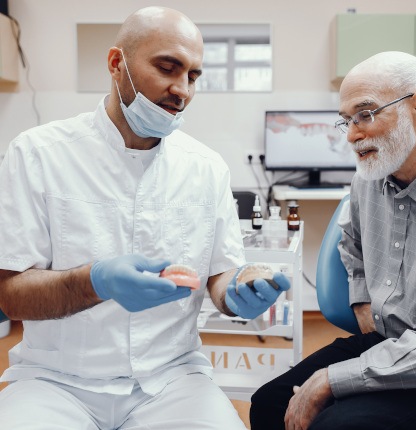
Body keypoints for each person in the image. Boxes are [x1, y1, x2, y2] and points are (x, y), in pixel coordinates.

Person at [0, 6, 289, 430]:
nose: (182, 90)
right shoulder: (38, 154)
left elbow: (220, 275)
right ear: (117, 64)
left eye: (193, 76)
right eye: (167, 67)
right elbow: (9, 294)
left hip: (173, 380)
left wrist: (239, 291)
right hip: (55, 380)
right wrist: (94, 281)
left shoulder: (206, 168)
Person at [250, 51, 416, 430]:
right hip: (391, 341)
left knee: (334, 425)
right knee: (268, 404)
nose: (351, 135)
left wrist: (332, 380)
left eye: (365, 114)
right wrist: (362, 298)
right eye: (345, 121)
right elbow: (351, 239)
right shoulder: (370, 176)